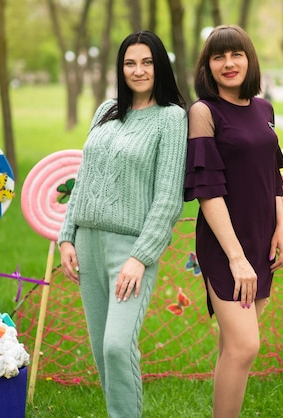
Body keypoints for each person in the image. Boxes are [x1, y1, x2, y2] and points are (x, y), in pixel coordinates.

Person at [58, 30, 187, 418]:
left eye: (147, 62)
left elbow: (168, 199)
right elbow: (85, 177)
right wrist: (67, 237)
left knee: (118, 345)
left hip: (129, 252)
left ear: (160, 65)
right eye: (130, 62)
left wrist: (140, 257)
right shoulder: (106, 111)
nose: (138, 70)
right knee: (102, 351)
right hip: (87, 245)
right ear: (121, 67)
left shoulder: (172, 118)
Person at [184, 25, 283, 418]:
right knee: (245, 346)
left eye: (236, 54)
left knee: (233, 347)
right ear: (208, 66)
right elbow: (207, 190)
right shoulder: (203, 112)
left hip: (262, 236)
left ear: (250, 59)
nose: (228, 63)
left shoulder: (264, 109)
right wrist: (236, 257)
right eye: (218, 56)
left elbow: (273, 174)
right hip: (226, 244)